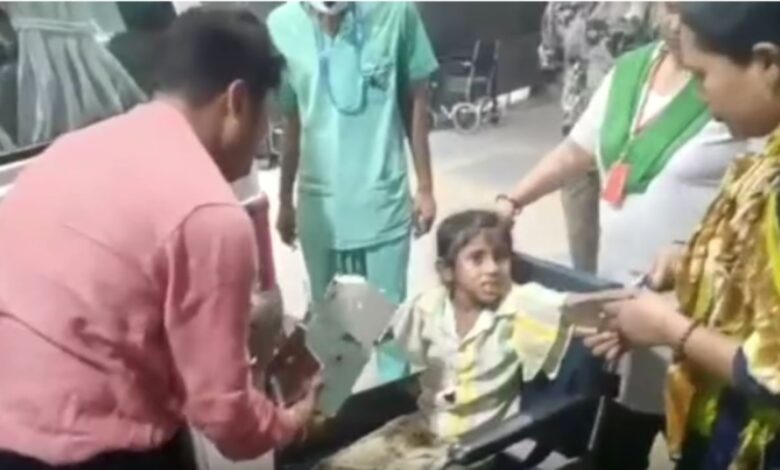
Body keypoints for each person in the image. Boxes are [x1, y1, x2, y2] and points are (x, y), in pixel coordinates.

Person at [0, 9, 318, 469]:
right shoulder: (209, 214)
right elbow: (224, 416)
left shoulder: (71, 150)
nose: (261, 138)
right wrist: (288, 423)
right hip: (103, 455)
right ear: (236, 101)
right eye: (265, 117)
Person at [498, 3, 749, 468]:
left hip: (693, 314)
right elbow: (576, 150)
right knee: (617, 433)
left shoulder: (736, 88)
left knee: (693, 432)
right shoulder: (630, 70)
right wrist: (512, 201)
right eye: (669, 6)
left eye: (686, 9)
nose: (674, 21)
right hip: (623, 304)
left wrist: (689, 264)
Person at [585, 3, 780, 469]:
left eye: (702, 75)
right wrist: (695, 261)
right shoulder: (766, 157)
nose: (700, 95)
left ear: (767, 63)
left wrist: (669, 328)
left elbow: (771, 374)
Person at [319, 210, 572, 469]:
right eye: (477, 258)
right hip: (423, 427)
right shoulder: (432, 306)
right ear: (447, 270)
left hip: (471, 447)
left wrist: (602, 311)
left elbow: (578, 309)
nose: (492, 268)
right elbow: (390, 330)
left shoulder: (519, 304)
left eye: (501, 257)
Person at [268, 1, 438, 382]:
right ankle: (332, 410)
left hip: (382, 200)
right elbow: (292, 121)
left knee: (390, 328)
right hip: (320, 208)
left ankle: (394, 407)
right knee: (329, 330)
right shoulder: (282, 25)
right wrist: (284, 201)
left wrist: (425, 187)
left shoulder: (396, 13)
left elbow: (417, 101)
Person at [538, 1, 657, 274]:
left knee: (634, 244)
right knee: (581, 243)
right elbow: (551, 61)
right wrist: (576, 106)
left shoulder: (645, 5)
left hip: (634, 142)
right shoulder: (561, 5)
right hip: (578, 140)